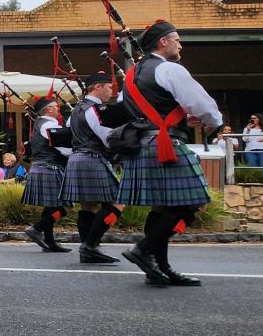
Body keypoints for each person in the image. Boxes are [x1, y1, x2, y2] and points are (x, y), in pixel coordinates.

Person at [118, 20, 221, 286]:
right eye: (177, 38)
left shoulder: (130, 76)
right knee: (190, 202)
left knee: (162, 208)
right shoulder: (169, 69)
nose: (180, 43)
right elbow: (200, 103)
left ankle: (159, 268)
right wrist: (213, 120)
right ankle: (143, 249)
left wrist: (182, 117)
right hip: (165, 144)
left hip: (144, 144)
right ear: (163, 42)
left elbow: (144, 109)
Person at [57, 72, 125, 263]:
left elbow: (67, 136)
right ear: (97, 87)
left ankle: (87, 249)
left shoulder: (76, 109)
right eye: (109, 87)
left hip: (77, 158)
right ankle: (91, 245)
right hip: (93, 158)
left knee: (88, 206)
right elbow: (108, 137)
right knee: (118, 202)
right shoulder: (96, 109)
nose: (111, 91)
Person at [21, 95, 73, 254]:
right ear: (49, 109)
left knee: (51, 207)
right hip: (49, 168)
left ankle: (50, 242)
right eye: (56, 107)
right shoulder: (49, 125)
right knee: (66, 207)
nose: (58, 109)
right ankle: (37, 228)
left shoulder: (39, 124)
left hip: (41, 167)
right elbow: (62, 147)